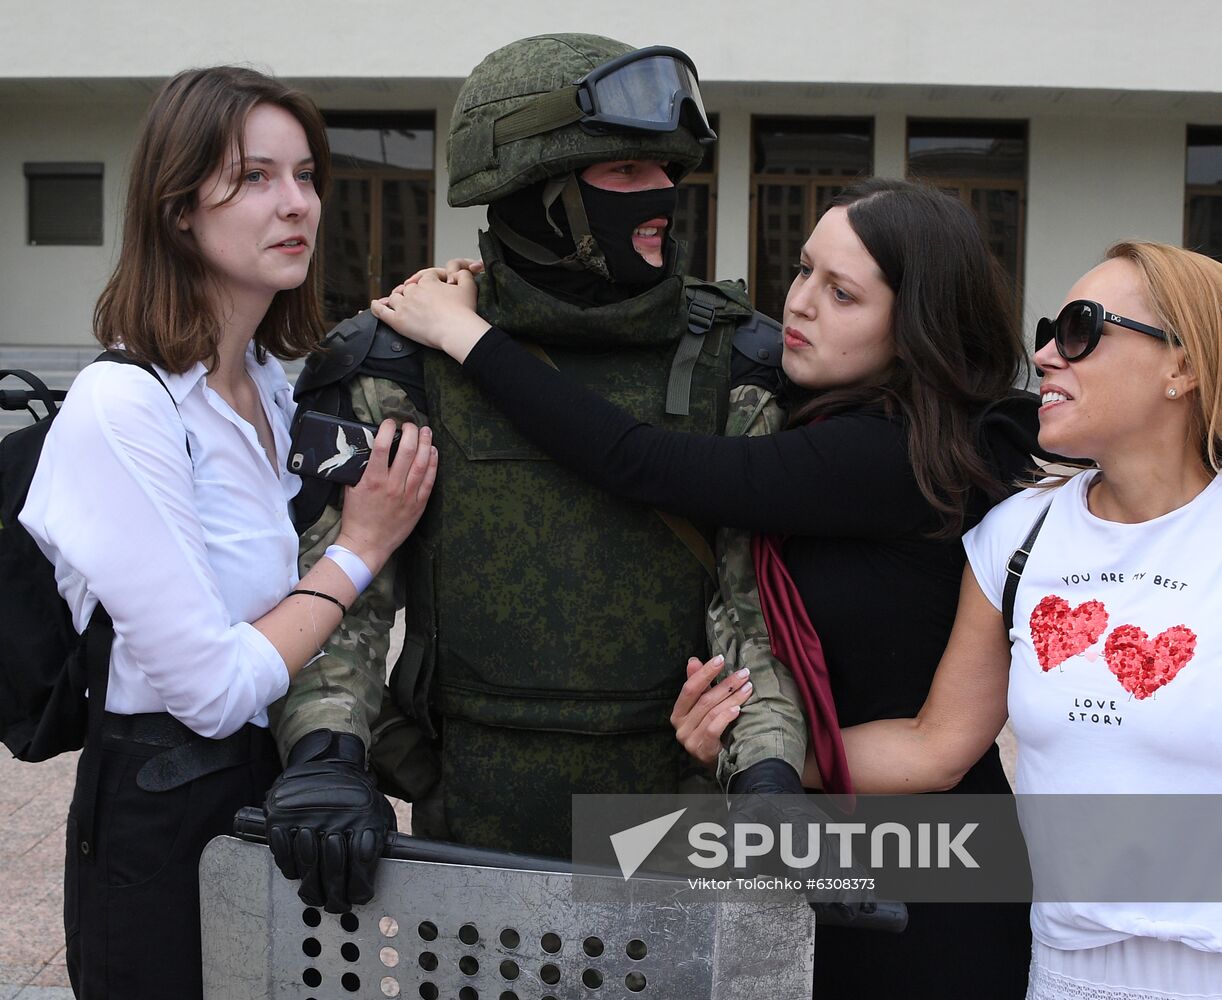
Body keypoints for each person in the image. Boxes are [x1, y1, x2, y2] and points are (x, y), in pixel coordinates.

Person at [372, 177, 1039, 998]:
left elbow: (641, 462)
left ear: (918, 325)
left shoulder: (887, 455)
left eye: (842, 294)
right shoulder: (849, 419)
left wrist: (469, 335)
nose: (799, 304)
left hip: (929, 875)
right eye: (801, 271)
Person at [266, 32, 777, 909]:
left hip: (673, 823)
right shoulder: (396, 360)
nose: (661, 193)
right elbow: (342, 592)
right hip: (470, 825)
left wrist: (768, 777)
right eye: (621, 173)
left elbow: (752, 617)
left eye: (664, 170)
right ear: (533, 194)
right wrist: (327, 755)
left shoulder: (740, 359)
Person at [679, 241, 1222, 998]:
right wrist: (748, 761)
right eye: (1048, 329)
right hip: (1058, 968)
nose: (1044, 355)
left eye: (1081, 329)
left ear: (1183, 367)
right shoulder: (1018, 535)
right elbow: (934, 746)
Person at [18, 66, 436, 1000]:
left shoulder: (269, 389)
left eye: (305, 175)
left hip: (273, 786)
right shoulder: (123, 406)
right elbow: (208, 689)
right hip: (161, 811)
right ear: (177, 210)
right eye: (253, 177)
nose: (295, 204)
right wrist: (360, 550)